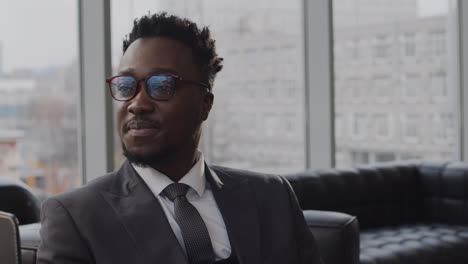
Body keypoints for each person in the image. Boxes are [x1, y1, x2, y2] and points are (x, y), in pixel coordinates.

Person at [37, 12, 323, 264]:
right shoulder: (76, 216)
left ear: (205, 104)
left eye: (162, 85)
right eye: (126, 86)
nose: (137, 103)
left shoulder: (272, 196)